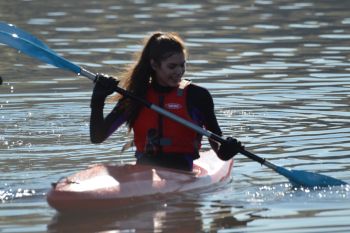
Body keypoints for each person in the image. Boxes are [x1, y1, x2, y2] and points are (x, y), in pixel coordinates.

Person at [90, 32, 243, 171]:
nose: (179, 71)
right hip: (144, 172)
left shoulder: (197, 96)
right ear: (154, 65)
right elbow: (97, 137)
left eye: (182, 65)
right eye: (172, 66)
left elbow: (218, 149)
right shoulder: (136, 96)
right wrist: (98, 99)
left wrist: (227, 150)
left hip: (183, 172)